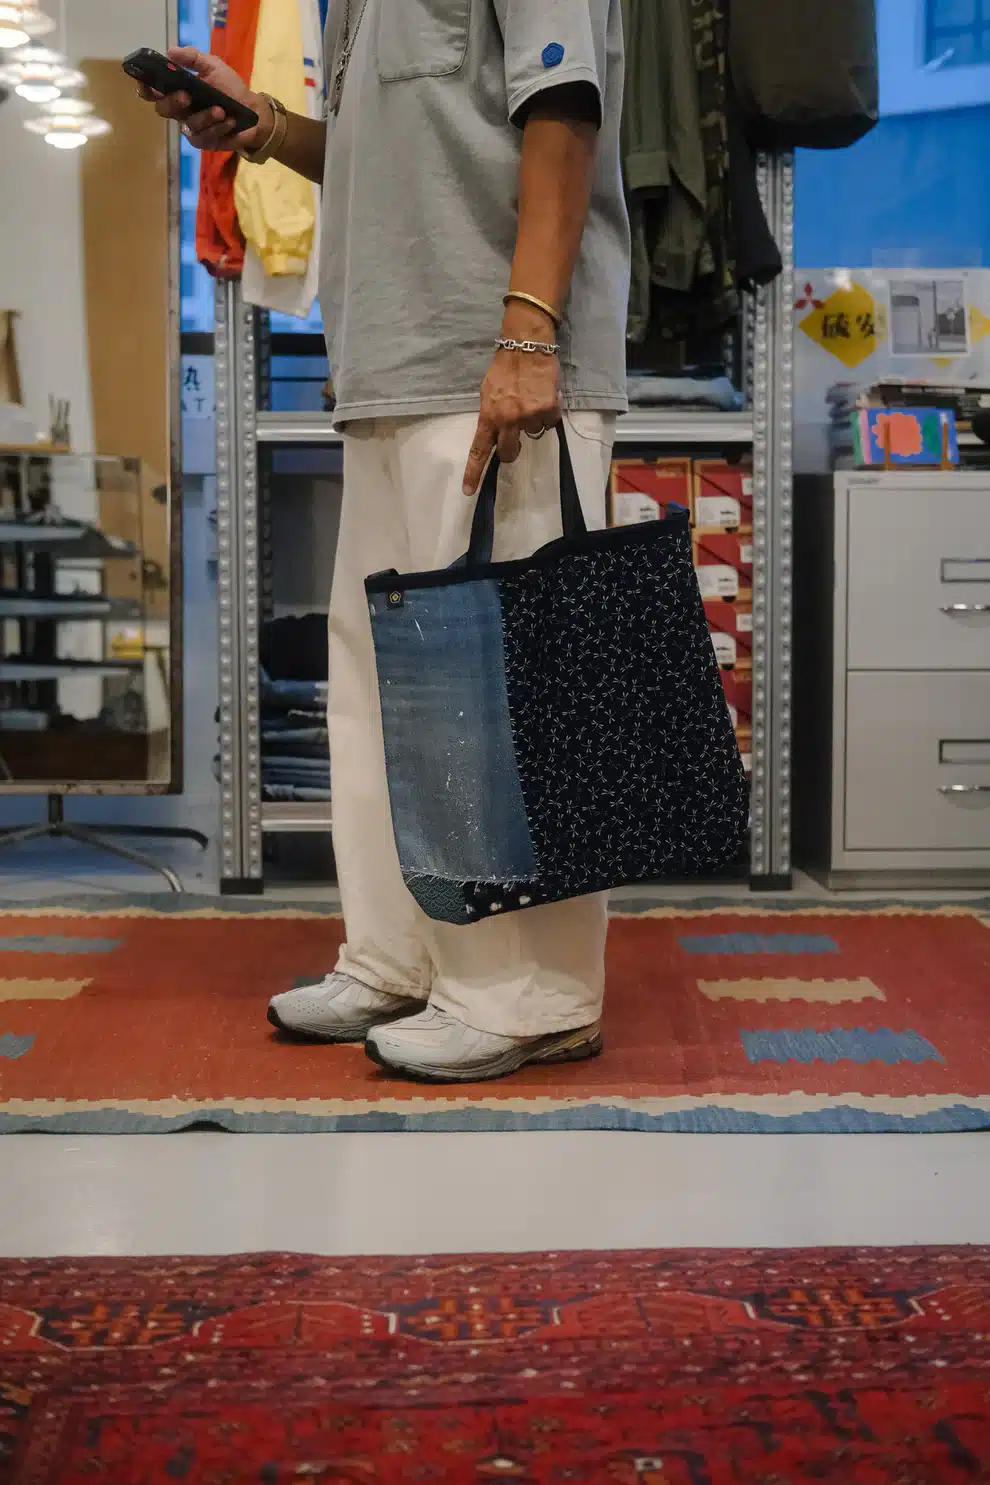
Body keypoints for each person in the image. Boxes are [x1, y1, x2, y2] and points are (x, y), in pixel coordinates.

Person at [144, 0, 630, 1083]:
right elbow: (400, 152)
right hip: (393, 364)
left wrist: (527, 334)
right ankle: (402, 957)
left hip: (494, 362)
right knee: (377, 690)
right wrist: (262, 124)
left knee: (508, 699)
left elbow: (562, 109)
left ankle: (531, 996)